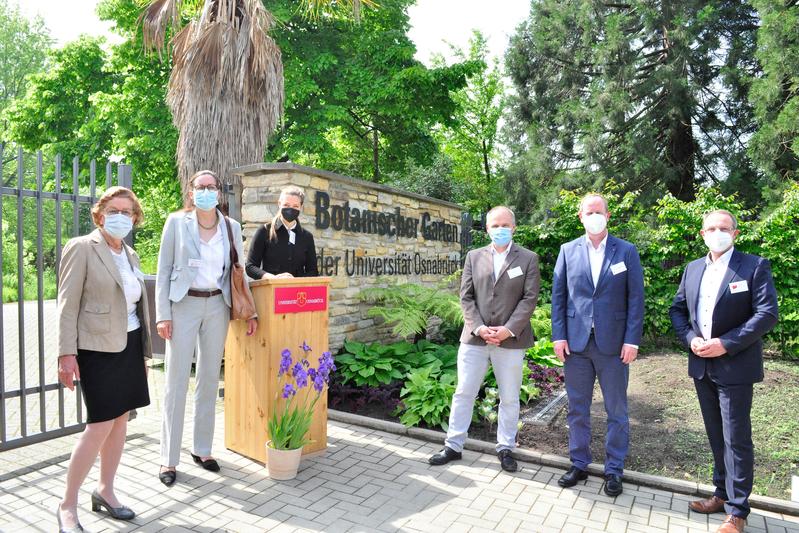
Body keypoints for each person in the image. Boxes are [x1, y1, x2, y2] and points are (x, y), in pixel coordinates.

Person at [669, 210, 777, 533]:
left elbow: (767, 313)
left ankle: (737, 512)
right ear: (702, 234)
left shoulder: (753, 266)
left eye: (724, 228)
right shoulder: (691, 269)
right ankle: (721, 494)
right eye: (711, 228)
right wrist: (690, 340)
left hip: (735, 365)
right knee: (717, 436)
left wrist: (725, 343)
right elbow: (677, 310)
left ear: (735, 232)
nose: (718, 232)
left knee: (736, 439)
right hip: (702, 365)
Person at [56, 186, 151, 532]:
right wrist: (66, 354)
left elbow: (135, 306)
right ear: (99, 214)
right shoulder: (82, 247)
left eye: (128, 212)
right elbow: (67, 306)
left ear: (135, 218)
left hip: (128, 345)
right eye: (114, 210)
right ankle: (67, 505)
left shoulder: (131, 254)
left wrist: (141, 353)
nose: (121, 217)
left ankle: (105, 491)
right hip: (95, 349)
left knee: (121, 421)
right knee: (99, 426)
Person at [155, 170, 257, 487]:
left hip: (217, 305)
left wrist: (250, 312)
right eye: (200, 187)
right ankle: (168, 458)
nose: (206, 191)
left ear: (218, 193)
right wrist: (162, 314)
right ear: (191, 191)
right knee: (175, 381)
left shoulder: (231, 227)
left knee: (210, 378)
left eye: (211, 187)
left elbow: (239, 273)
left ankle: (202, 450)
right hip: (183, 305)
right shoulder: (176, 223)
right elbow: (163, 271)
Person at [428, 206, 540, 472]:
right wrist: (479, 327)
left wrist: (508, 329)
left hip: (510, 341)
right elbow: (465, 296)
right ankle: (453, 446)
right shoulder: (473, 256)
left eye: (504, 225)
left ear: (513, 227)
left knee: (509, 396)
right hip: (475, 340)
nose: (499, 229)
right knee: (464, 392)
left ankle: (505, 448)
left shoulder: (528, 258)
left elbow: (529, 298)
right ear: (487, 229)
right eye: (494, 225)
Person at [550, 193, 645, 497]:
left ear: (608, 215)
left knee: (617, 410)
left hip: (614, 345)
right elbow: (559, 297)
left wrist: (632, 339)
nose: (594, 216)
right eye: (588, 212)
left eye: (599, 211)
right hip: (576, 344)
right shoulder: (567, 250)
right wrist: (558, 335)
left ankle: (613, 469)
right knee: (577, 409)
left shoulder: (626, 251)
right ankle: (579, 463)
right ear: (580, 216)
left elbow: (635, 299)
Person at [245, 185, 318, 279]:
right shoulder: (264, 231)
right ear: (279, 204)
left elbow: (313, 271)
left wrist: (294, 281)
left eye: (295, 206)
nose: (291, 209)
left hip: (298, 292)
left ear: (301, 207)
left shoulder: (307, 237)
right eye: (286, 205)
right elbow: (250, 267)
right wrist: (274, 278)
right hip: (271, 290)